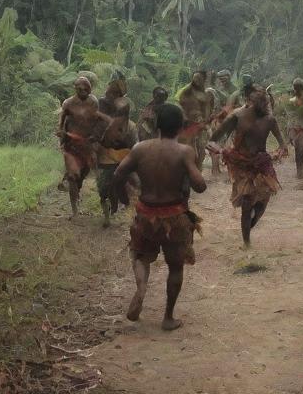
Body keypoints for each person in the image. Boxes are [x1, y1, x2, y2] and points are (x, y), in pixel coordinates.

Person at [112, 103, 206, 331]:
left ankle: (141, 287)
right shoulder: (184, 151)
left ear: (156, 125)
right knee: (175, 267)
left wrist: (125, 196)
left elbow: (117, 174)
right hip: (174, 216)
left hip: (146, 214)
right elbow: (200, 185)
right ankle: (168, 317)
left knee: (141, 255)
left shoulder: (140, 148)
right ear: (181, 127)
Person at [210, 86, 287, 245]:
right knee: (247, 202)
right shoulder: (236, 116)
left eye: (263, 104)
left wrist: (279, 152)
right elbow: (213, 139)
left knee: (262, 204)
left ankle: (248, 228)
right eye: (257, 104)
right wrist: (223, 152)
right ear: (248, 103)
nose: (261, 107)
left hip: (262, 165)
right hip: (241, 164)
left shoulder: (270, 120)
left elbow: (282, 144)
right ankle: (247, 243)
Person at [57, 76, 103, 217]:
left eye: (86, 89)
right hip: (71, 146)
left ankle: (77, 191)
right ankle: (75, 210)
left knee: (81, 176)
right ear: (75, 89)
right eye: (80, 89)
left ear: (90, 89)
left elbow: (97, 121)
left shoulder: (94, 102)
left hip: (87, 146)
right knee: (73, 176)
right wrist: (62, 134)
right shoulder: (68, 103)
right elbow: (62, 120)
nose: (83, 91)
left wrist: (96, 138)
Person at [95, 98, 138, 227]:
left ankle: (125, 210)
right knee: (103, 190)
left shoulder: (131, 126)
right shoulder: (103, 124)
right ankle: (108, 215)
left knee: (123, 187)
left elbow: (134, 146)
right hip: (105, 161)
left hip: (122, 162)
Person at [177, 69, 215, 170]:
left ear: (204, 79)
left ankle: (198, 169)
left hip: (202, 126)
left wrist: (208, 121)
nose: (196, 80)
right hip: (188, 125)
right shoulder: (186, 92)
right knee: (189, 148)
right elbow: (180, 105)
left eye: (199, 78)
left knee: (202, 149)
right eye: (194, 78)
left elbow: (209, 109)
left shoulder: (208, 93)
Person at [206, 69, 233, 178]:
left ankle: (221, 170)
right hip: (217, 121)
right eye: (219, 78)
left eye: (223, 78)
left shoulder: (229, 90)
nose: (221, 80)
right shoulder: (211, 91)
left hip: (226, 121)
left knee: (226, 145)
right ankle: (216, 170)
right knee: (216, 145)